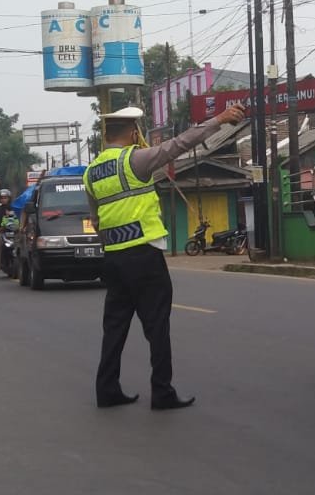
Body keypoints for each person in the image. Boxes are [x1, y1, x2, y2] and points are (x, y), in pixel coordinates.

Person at [86, 103, 246, 410]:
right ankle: (162, 391)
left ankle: (106, 389)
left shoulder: (91, 173)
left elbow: (96, 221)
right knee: (157, 325)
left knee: (115, 326)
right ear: (133, 132)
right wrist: (220, 119)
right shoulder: (136, 160)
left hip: (114, 258)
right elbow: (180, 143)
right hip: (144, 255)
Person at [0, 189, 15, 278]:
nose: (4, 199)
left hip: (13, 233)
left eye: (5, 198)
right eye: (2, 198)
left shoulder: (13, 208)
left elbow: (16, 220)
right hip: (2, 232)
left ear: (9, 198)